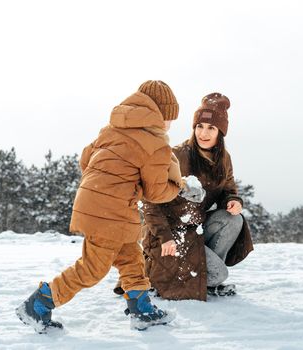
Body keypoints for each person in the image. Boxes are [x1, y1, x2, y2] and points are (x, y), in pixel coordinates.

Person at [16, 80, 197, 332]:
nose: (169, 124)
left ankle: (141, 308)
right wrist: (180, 188)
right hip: (110, 211)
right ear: (160, 113)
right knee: (93, 268)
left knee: (131, 259)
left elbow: (85, 158)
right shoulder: (154, 143)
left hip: (99, 202)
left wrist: (109, 185)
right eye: (170, 118)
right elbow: (156, 193)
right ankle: (39, 304)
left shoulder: (113, 128)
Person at [128, 92, 254, 301]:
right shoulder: (175, 155)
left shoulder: (223, 158)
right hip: (169, 234)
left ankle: (204, 276)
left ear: (220, 132)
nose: (203, 133)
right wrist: (165, 237)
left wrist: (233, 200)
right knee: (219, 274)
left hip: (196, 229)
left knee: (233, 219)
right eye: (199, 126)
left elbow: (228, 188)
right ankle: (175, 275)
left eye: (211, 128)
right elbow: (149, 201)